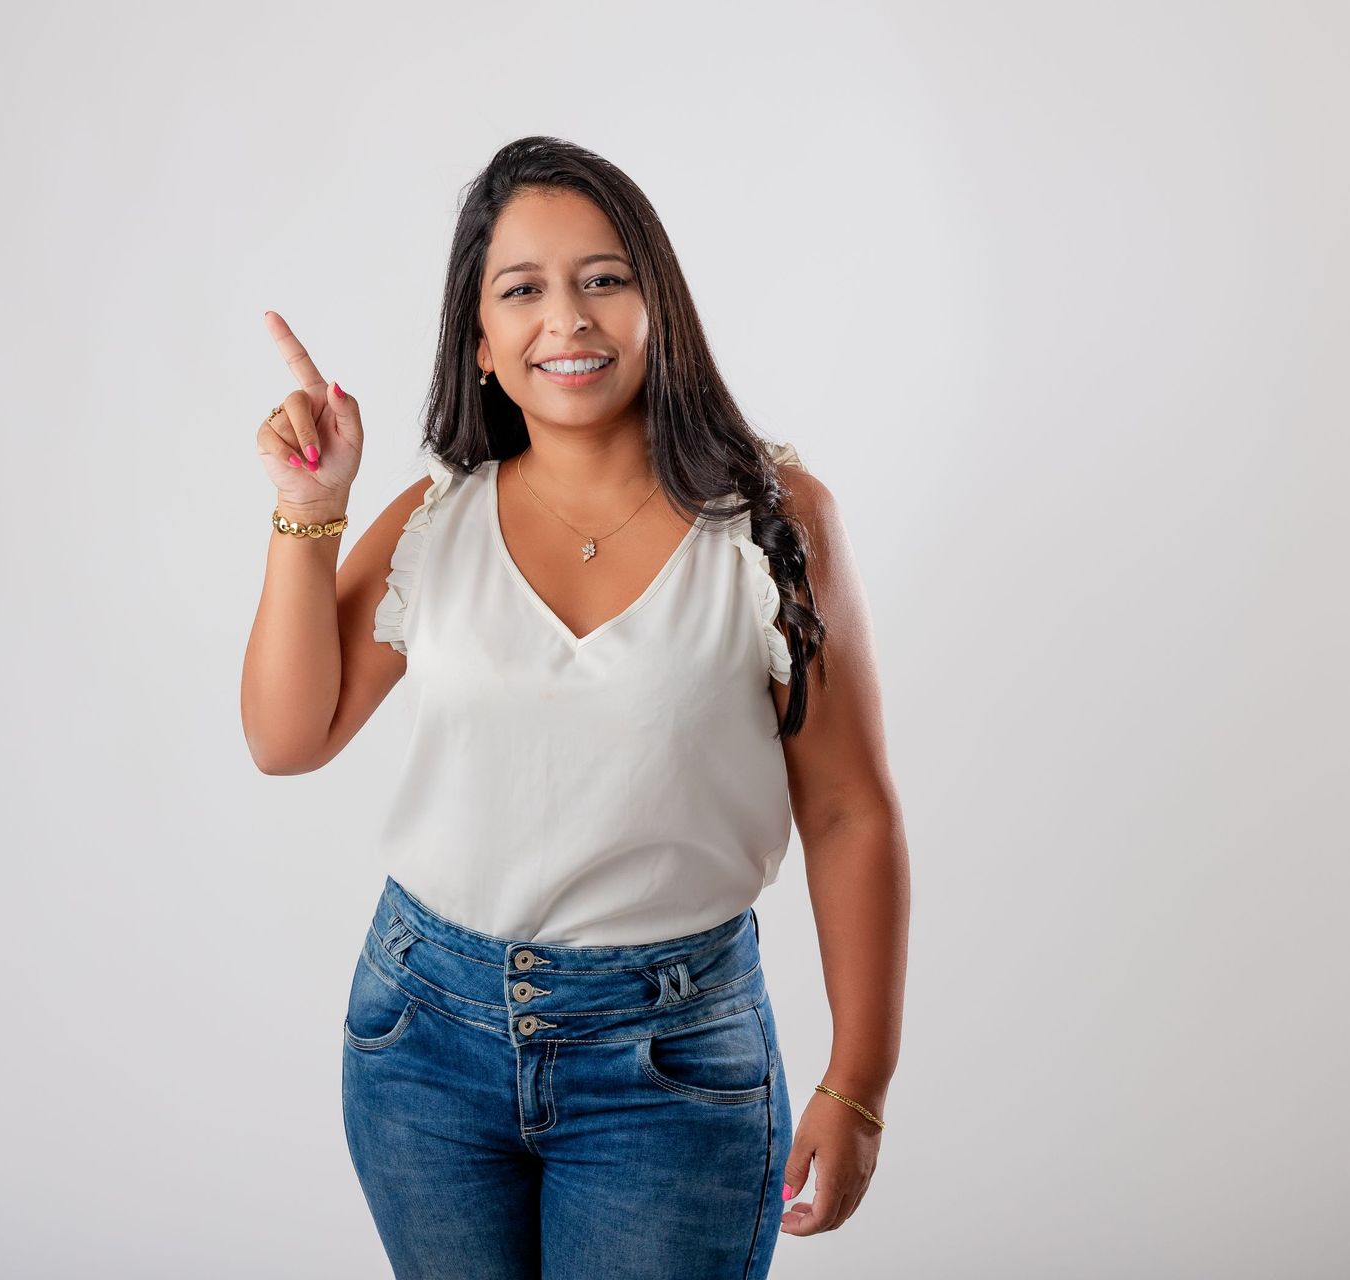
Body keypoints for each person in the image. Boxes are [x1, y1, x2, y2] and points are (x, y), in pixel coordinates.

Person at [242, 135, 909, 1279]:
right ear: (483, 343)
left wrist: (860, 1080)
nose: (569, 317)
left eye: (603, 277)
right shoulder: (432, 522)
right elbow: (286, 736)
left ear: (659, 303)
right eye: (523, 290)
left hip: (672, 1055)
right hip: (421, 1040)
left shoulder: (772, 521)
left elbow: (849, 811)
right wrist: (313, 509)